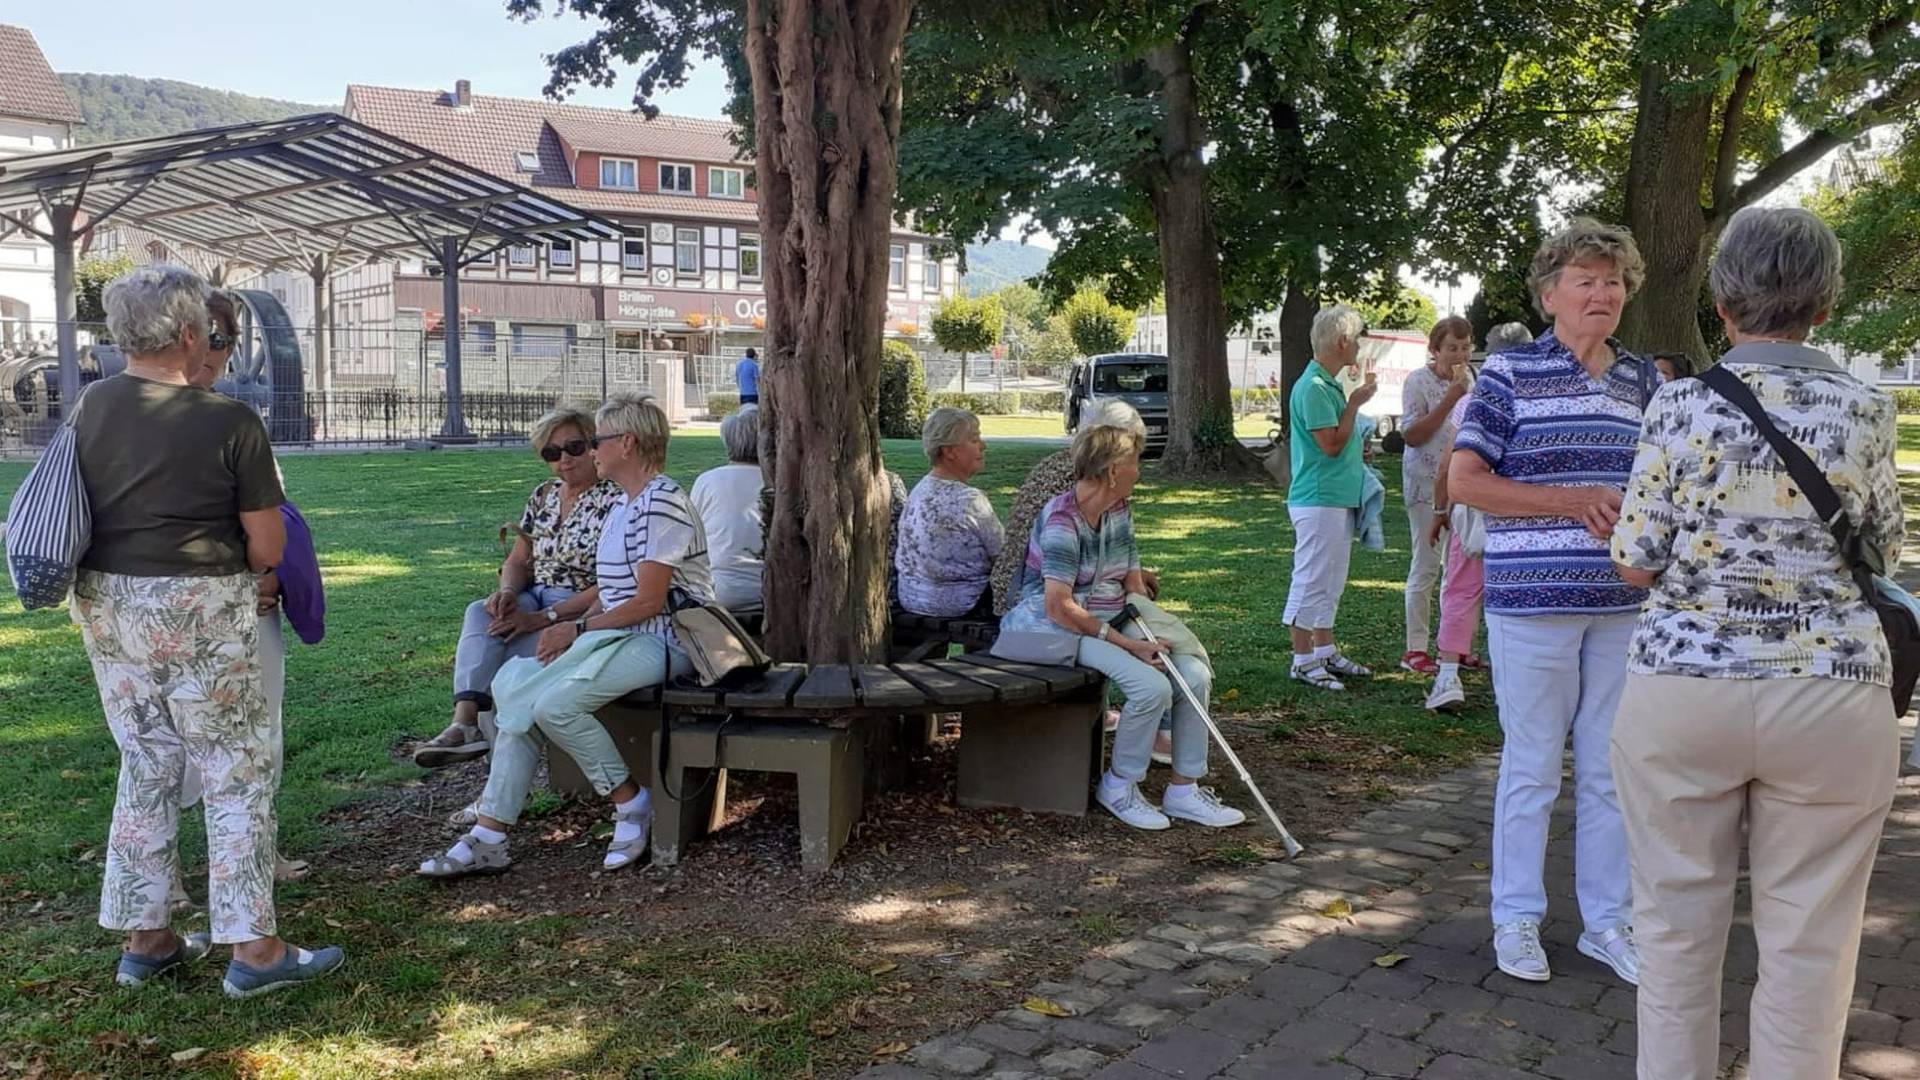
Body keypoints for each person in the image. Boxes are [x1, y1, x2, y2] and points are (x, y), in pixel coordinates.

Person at [1610, 207, 1903, 1079]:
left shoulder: (1680, 403)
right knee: (1812, 940)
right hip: (1833, 692)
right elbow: (1881, 548)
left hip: (1684, 688)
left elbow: (1636, 560)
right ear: (1825, 301)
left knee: (1670, 933)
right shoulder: (1867, 408)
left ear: (1722, 299)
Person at [70, 265, 340, 997]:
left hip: (108, 607)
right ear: (190, 333)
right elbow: (267, 548)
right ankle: (256, 951)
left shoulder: (91, 404)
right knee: (235, 770)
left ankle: (146, 938)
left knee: (147, 761)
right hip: (199, 609)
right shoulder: (228, 421)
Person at [1451, 218, 1654, 986]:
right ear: (1549, 294)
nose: (1603, 292)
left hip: (1623, 605)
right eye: (1586, 280)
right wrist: (1572, 501)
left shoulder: (1646, 382)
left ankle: (1607, 922)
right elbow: (1465, 483)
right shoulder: (1507, 375)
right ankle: (1516, 918)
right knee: (1533, 766)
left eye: (1614, 280)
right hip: (1531, 603)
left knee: (1610, 769)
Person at [420, 391, 715, 878]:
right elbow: (612, 592)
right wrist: (567, 625)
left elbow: (649, 602)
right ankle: (490, 835)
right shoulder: (625, 504)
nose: (589, 451)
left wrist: (572, 628)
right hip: (620, 634)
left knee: (554, 704)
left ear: (629, 443)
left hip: (667, 638)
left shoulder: (663, 503)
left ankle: (630, 801)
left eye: (596, 441)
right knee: (514, 688)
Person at [1000, 410, 1242, 830]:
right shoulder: (1062, 521)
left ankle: (1184, 790)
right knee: (1150, 687)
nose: (1139, 472)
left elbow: (1131, 574)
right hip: (1055, 627)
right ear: (1114, 471)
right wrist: (1130, 644)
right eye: (1134, 463)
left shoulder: (1119, 508)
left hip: (1111, 613)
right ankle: (1119, 785)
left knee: (1193, 675)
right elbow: (1059, 606)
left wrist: (1148, 615)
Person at [169, 292, 315, 890]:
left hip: (241, 606)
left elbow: (269, 518)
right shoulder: (126, 419)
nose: (213, 353)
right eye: (205, 337)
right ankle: (169, 870)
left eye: (224, 339)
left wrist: (271, 572)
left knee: (259, 731)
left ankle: (255, 852)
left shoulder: (233, 422)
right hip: (171, 612)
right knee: (170, 741)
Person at [413, 407, 623, 768]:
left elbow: (611, 584)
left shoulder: (615, 500)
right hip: (533, 592)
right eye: (552, 453)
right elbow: (518, 560)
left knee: (502, 662)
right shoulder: (544, 495)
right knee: (482, 612)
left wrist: (541, 619)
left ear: (593, 445)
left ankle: (494, 781)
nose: (565, 460)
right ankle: (464, 722)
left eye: (573, 447)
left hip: (578, 605)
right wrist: (508, 593)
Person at [1422, 322, 1533, 711]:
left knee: (1461, 592)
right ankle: (1520, 680)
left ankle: (1449, 675)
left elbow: (1447, 466)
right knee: (1518, 596)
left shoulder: (1475, 400)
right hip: (1525, 514)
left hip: (1475, 512)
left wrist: (1440, 510)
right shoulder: (1537, 400)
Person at [1281, 305, 1377, 691]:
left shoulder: (1326, 384)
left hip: (1335, 497)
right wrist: (1355, 405)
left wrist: (1356, 435)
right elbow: (1330, 445)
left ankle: (1324, 649)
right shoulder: (1316, 388)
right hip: (1318, 499)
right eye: (1356, 338)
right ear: (1342, 341)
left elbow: (1340, 440)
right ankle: (1302, 659)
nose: (1358, 346)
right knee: (1311, 577)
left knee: (1331, 579)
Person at [1397, 316, 1475, 675]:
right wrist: (1450, 400)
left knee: (1458, 569)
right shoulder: (1418, 381)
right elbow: (1412, 435)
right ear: (1435, 350)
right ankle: (1415, 647)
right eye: (1451, 348)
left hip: (1460, 485)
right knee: (1426, 564)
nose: (1459, 355)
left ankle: (1453, 646)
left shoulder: (1471, 381)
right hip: (1425, 485)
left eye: (1465, 347)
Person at [897, 407, 1005, 618]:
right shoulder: (969, 499)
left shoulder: (919, 489)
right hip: (962, 604)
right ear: (949, 451)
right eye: (974, 440)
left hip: (913, 597)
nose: (984, 446)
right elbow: (1004, 557)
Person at [690, 406, 767, 617]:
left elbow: (690, 540)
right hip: (769, 591)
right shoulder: (778, 483)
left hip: (718, 592)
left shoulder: (707, 481)